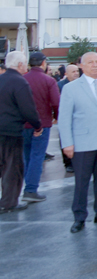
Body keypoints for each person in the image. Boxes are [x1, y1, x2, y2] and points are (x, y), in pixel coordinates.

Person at [58, 52, 97, 232]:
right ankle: (79, 217)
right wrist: (67, 143)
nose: (95, 65)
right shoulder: (71, 88)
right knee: (82, 182)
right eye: (90, 62)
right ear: (82, 66)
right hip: (82, 142)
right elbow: (64, 119)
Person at [0, 52, 43, 215]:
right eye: (25, 63)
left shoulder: (1, 79)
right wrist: (37, 126)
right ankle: (8, 203)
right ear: (19, 65)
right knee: (12, 169)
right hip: (11, 132)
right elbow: (28, 110)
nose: (26, 66)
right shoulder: (19, 82)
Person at [21, 52, 60, 203]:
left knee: (27, 156)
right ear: (43, 63)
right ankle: (31, 189)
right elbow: (56, 102)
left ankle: (27, 185)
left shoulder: (22, 79)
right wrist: (57, 116)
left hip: (23, 124)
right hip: (42, 123)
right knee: (37, 156)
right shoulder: (48, 80)